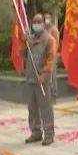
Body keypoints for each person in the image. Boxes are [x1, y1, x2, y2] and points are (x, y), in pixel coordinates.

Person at [22, 14, 57, 146]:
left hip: (43, 80)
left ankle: (49, 134)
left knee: (45, 108)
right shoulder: (29, 39)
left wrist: (45, 74)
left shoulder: (49, 40)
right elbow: (22, 55)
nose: (36, 24)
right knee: (32, 108)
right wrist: (23, 42)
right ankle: (36, 132)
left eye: (39, 21)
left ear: (43, 23)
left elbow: (51, 58)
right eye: (34, 21)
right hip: (30, 78)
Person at [43, 13, 60, 102]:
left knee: (52, 78)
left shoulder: (54, 30)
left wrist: (52, 55)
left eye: (48, 18)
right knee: (47, 78)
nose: (46, 20)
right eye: (45, 18)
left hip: (52, 57)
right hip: (45, 57)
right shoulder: (44, 30)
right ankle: (47, 96)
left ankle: (54, 96)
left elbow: (56, 44)